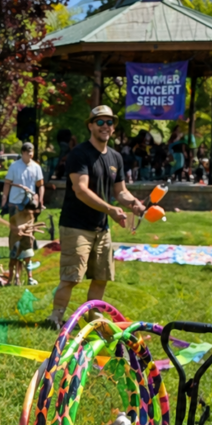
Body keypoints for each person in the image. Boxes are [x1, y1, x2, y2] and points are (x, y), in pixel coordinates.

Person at [45, 106, 145, 328]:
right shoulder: (79, 154)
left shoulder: (116, 157)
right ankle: (55, 317)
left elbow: (120, 191)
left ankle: (93, 318)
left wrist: (133, 203)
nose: (105, 126)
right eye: (100, 122)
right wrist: (110, 209)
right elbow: (80, 189)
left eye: (109, 122)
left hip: (101, 227)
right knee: (71, 277)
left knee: (102, 276)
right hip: (76, 225)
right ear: (90, 125)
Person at [1, 141, 44, 284]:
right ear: (23, 153)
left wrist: (40, 199)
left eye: (32, 152)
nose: (30, 155)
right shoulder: (14, 166)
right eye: (28, 153)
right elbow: (7, 183)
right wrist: (4, 199)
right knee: (15, 237)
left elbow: (40, 185)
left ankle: (29, 277)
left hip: (28, 207)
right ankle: (15, 277)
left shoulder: (36, 167)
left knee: (28, 236)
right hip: (15, 205)